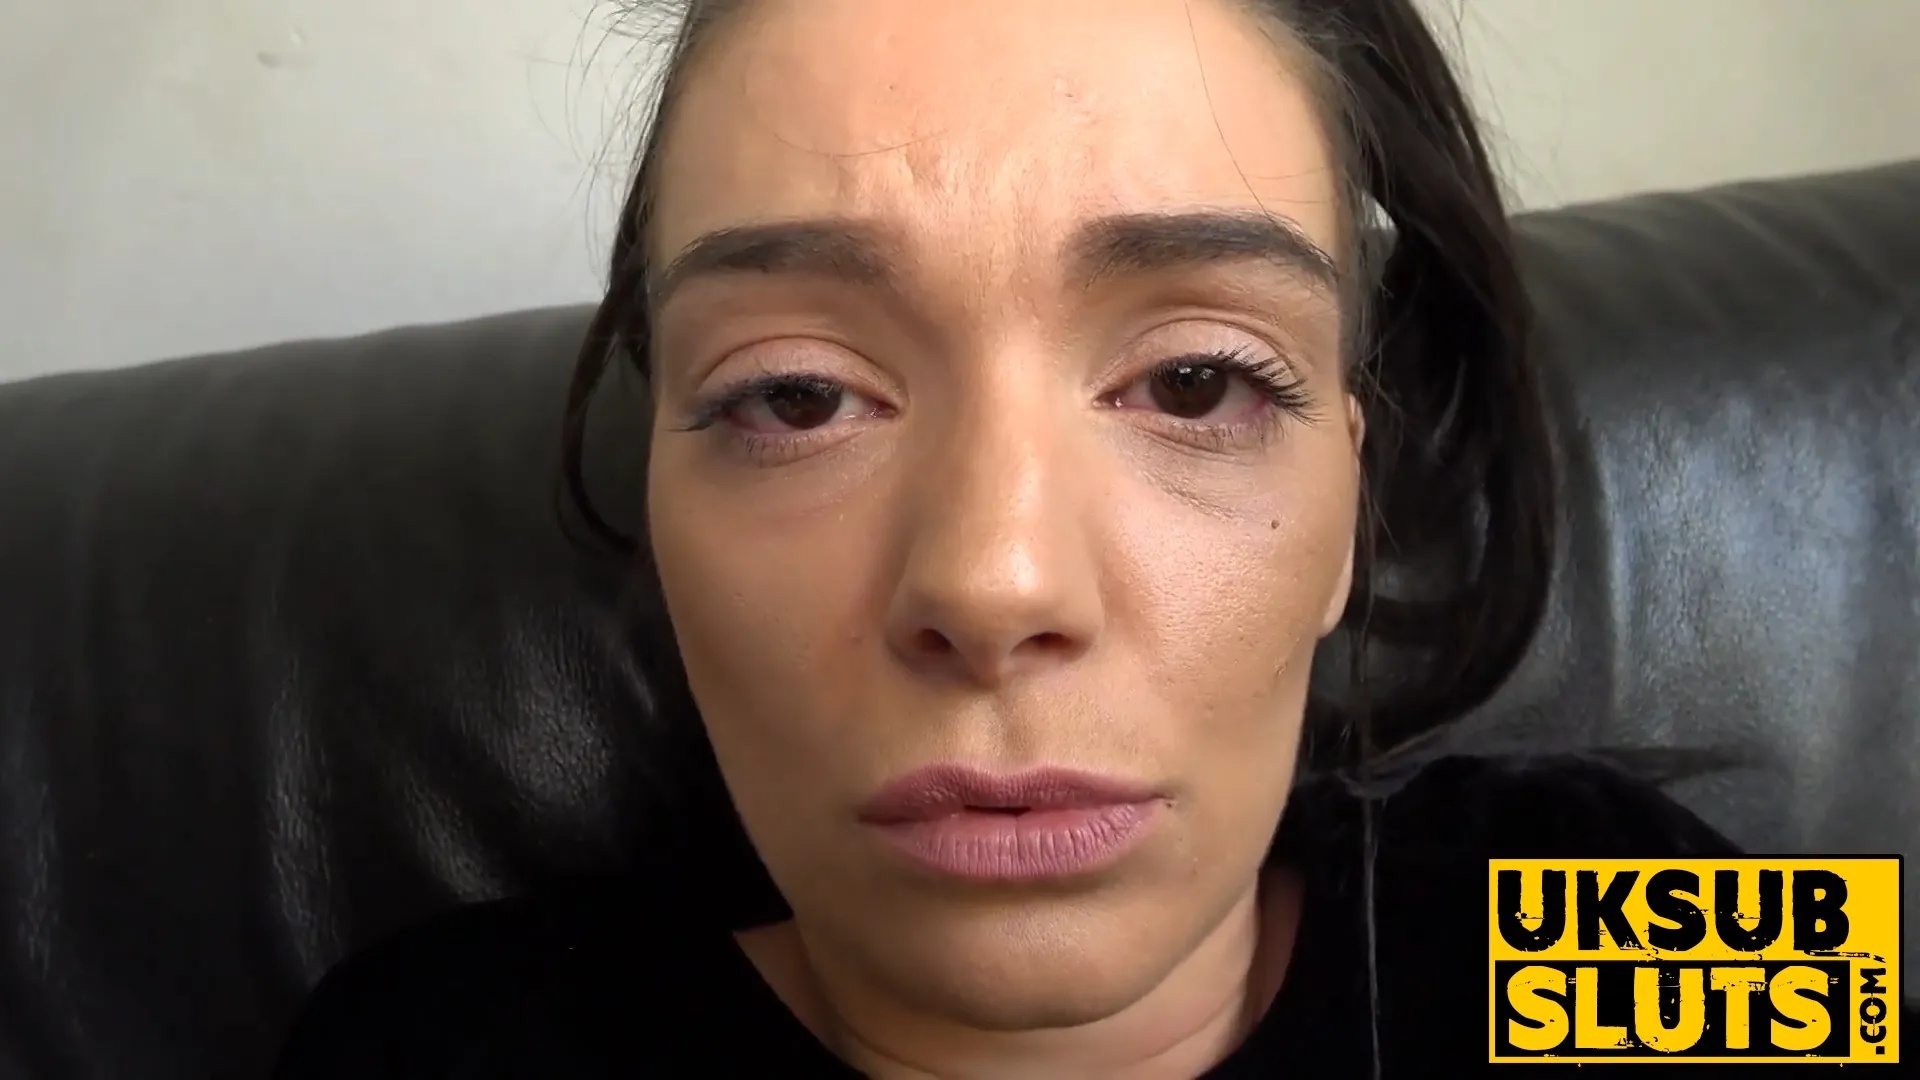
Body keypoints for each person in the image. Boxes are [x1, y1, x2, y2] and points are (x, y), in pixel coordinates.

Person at [268, 0, 1862, 1076]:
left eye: (1194, 381)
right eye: (798, 397)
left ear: (1347, 515)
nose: (994, 582)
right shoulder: (444, 1042)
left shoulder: (1603, 897)